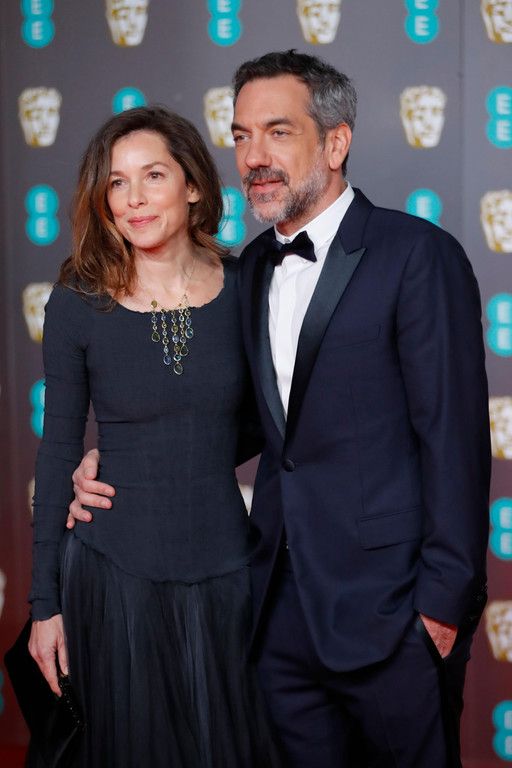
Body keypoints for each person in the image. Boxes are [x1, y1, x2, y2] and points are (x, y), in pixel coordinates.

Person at [69, 51, 491, 767]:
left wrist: (441, 612)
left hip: (392, 615)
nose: (254, 157)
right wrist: (114, 460)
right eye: (241, 136)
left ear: (335, 142)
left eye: (278, 132)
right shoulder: (251, 267)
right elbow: (250, 422)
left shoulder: (418, 255)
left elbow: (454, 444)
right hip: (275, 616)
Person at [28, 105, 279, 768]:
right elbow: (57, 449)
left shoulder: (249, 286)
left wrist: (176, 454)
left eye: (153, 175)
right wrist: (45, 606)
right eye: (117, 182)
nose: (133, 198)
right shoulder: (78, 299)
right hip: (112, 578)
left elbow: (269, 421)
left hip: (227, 571)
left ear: (193, 185)